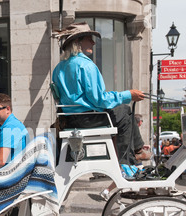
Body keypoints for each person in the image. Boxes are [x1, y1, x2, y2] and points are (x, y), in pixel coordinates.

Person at [52, 22, 150, 166]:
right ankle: (128, 159)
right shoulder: (86, 65)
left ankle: (136, 150)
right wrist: (127, 95)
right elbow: (99, 100)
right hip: (87, 119)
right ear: (78, 42)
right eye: (89, 39)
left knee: (121, 111)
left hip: (69, 119)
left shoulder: (59, 68)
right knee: (125, 111)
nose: (93, 42)